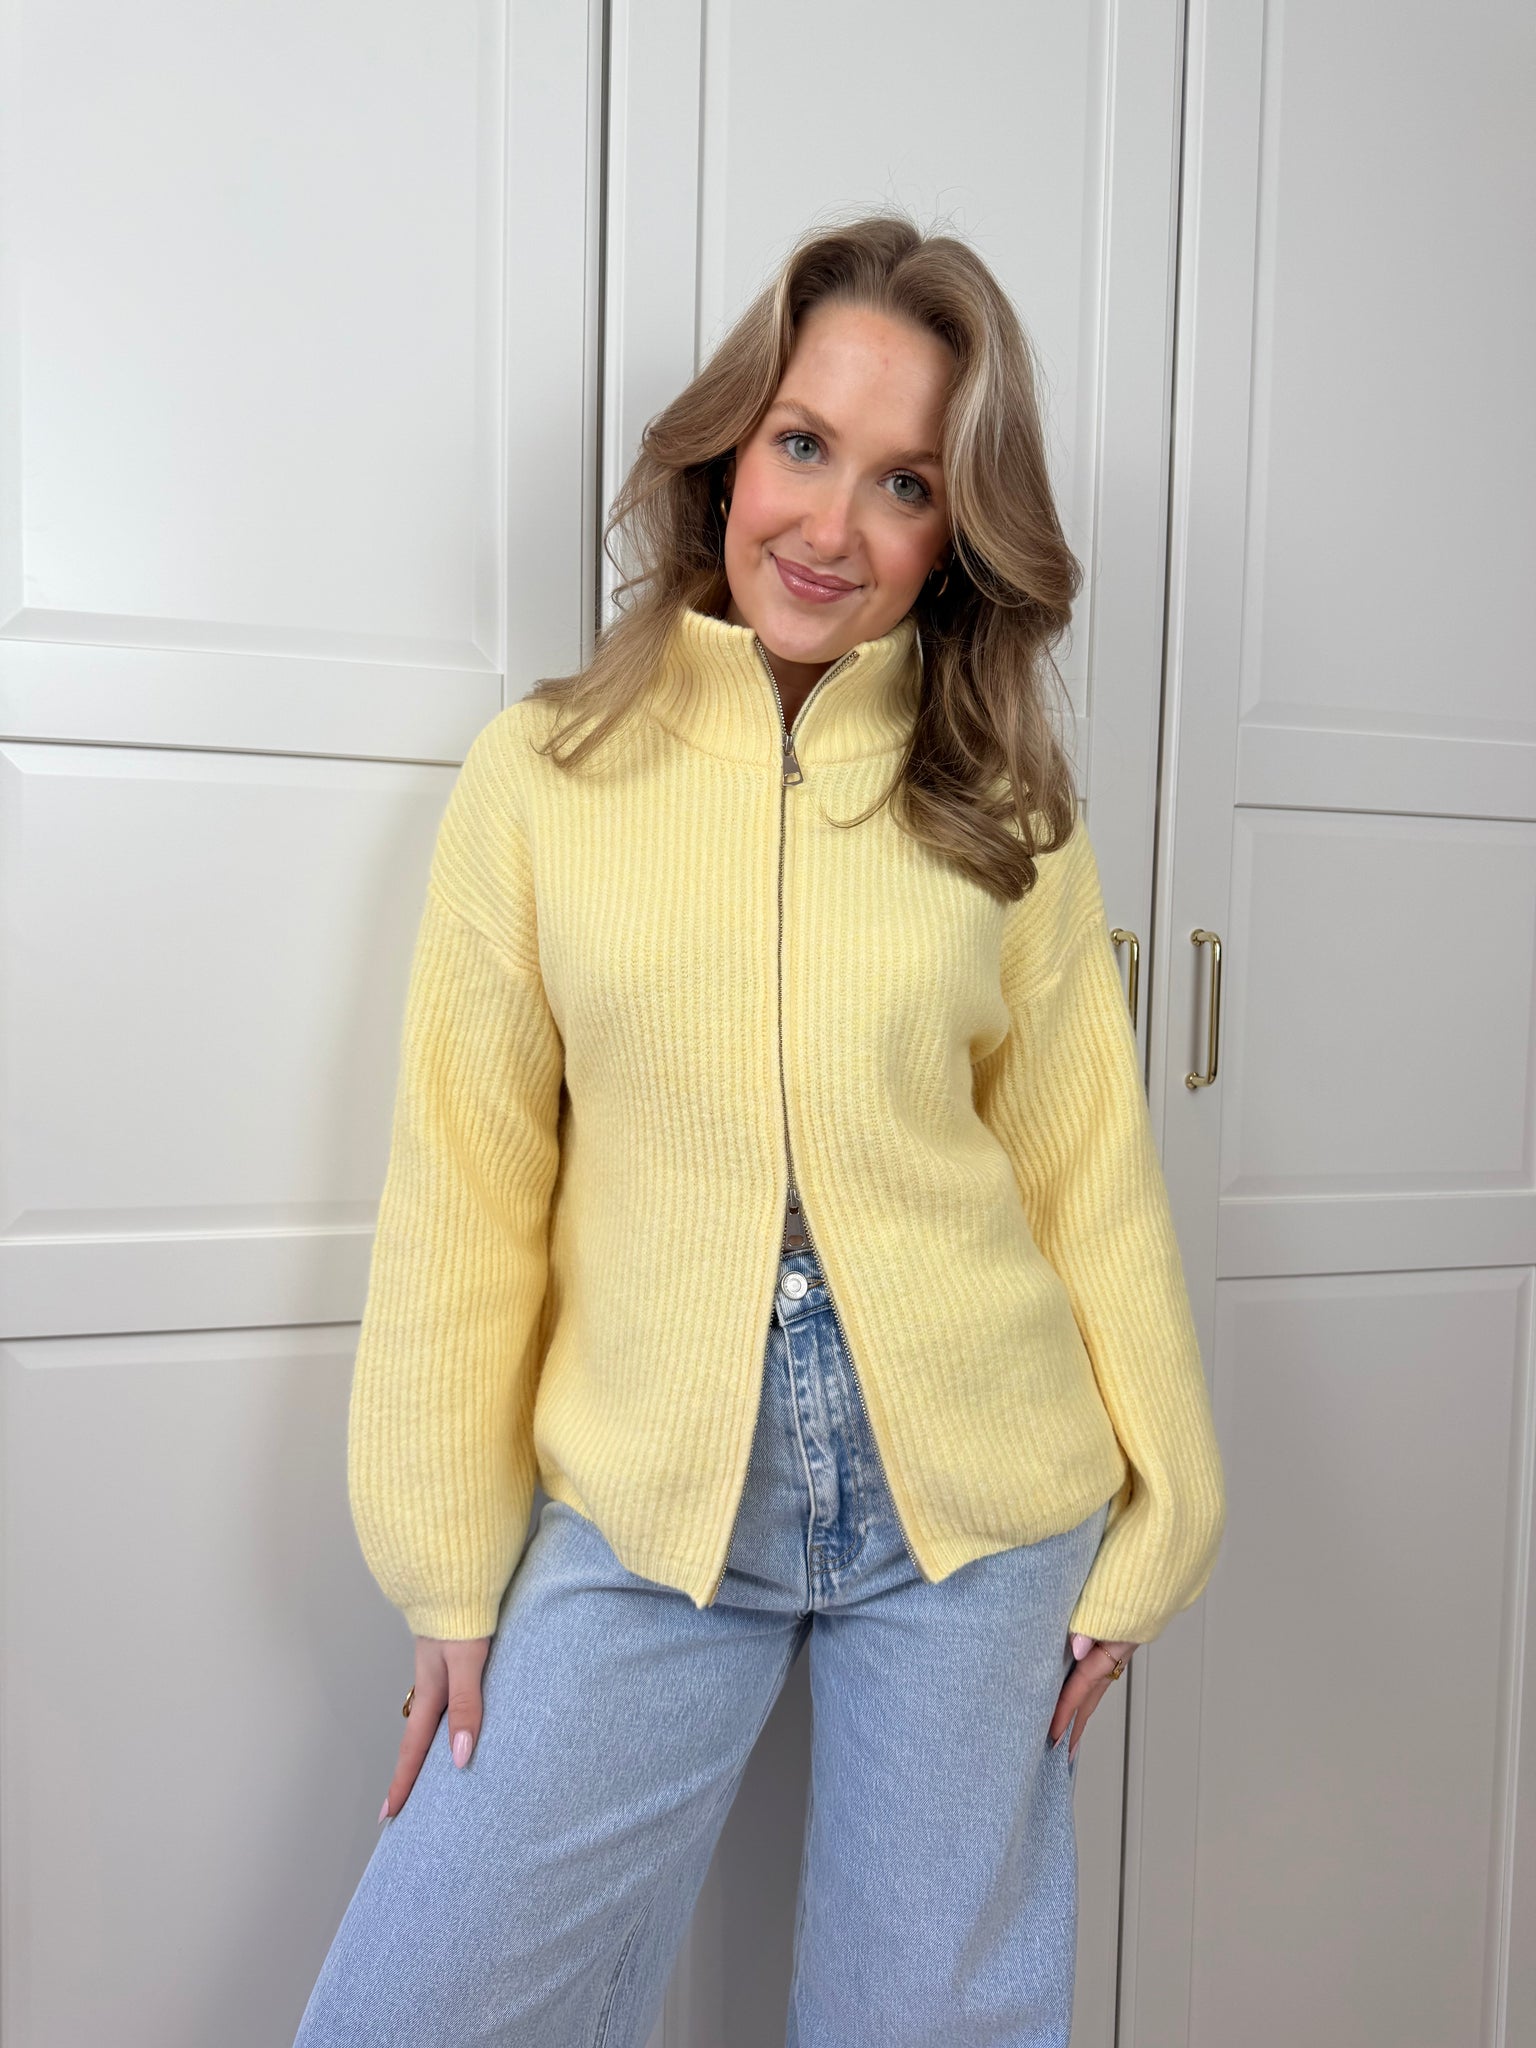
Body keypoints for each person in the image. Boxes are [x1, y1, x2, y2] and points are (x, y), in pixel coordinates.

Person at [293, 209, 1226, 2048]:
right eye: (804, 444)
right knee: (419, 2007)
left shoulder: (1004, 807)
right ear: (729, 452)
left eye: (905, 484)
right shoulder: (542, 776)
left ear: (954, 535)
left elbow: (1088, 1181)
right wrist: (447, 1565)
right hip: (652, 1500)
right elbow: (469, 1188)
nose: (832, 526)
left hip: (975, 1516)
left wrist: (1166, 1516)